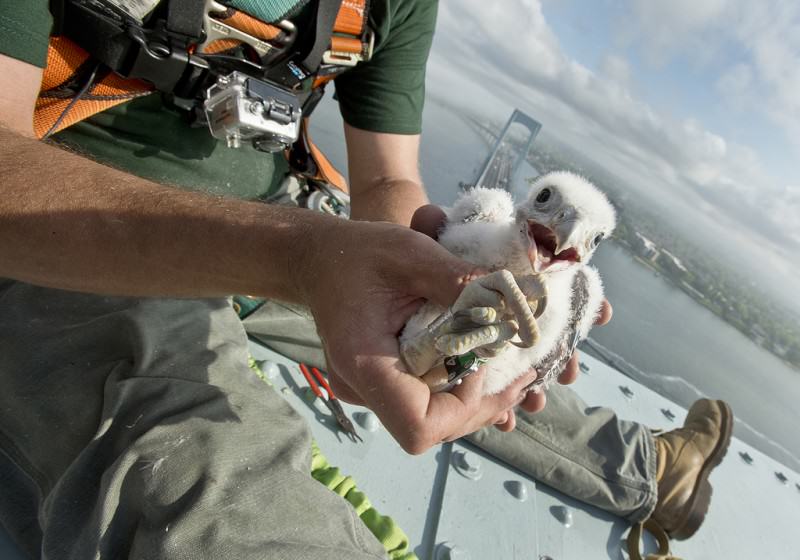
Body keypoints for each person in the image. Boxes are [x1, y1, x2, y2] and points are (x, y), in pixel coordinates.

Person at [0, 1, 729, 558]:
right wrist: (301, 256)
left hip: (277, 219)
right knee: (198, 469)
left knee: (486, 347)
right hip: (71, 229)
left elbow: (387, 180)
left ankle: (650, 467)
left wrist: (442, 276)